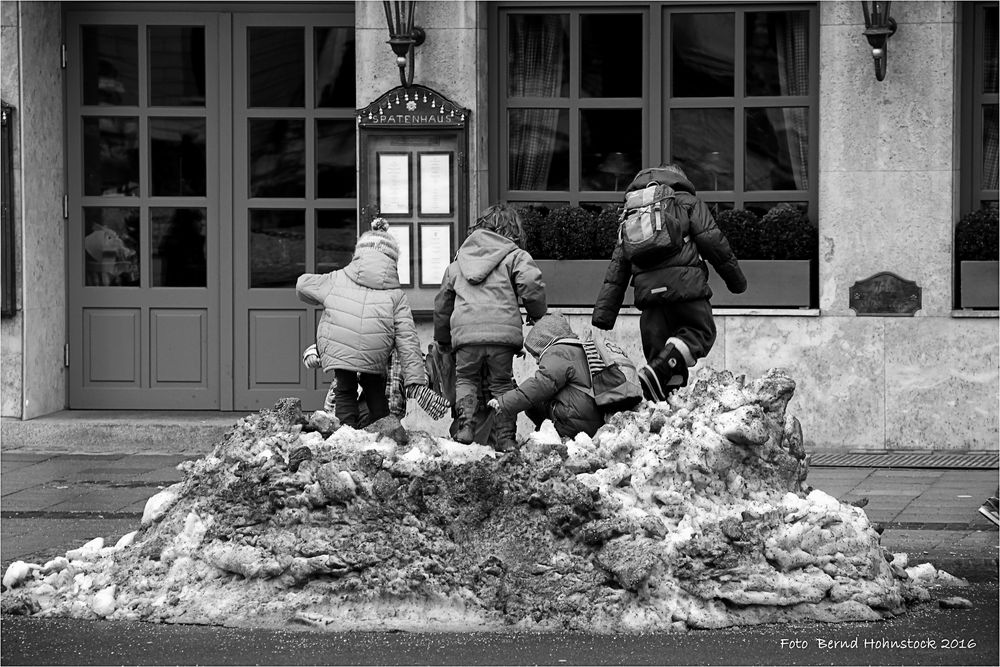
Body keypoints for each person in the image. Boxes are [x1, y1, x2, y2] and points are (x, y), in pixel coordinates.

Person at [593, 163, 747, 401]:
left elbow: (618, 266)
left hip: (650, 299)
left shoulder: (632, 212)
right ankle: (668, 366)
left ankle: (662, 415)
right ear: (681, 179)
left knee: (659, 365)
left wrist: (604, 315)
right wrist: (736, 282)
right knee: (700, 333)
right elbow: (714, 243)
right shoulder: (687, 202)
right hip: (687, 290)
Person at [434, 204, 547, 451]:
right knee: (502, 384)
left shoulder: (458, 262)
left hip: (465, 337)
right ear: (513, 230)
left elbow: (443, 303)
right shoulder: (515, 255)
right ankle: (506, 438)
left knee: (466, 378)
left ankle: (465, 427)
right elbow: (531, 282)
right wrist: (537, 315)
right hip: (501, 337)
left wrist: (443, 339)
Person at [296, 218, 427, 428]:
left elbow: (302, 285)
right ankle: (386, 428)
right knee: (375, 386)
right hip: (375, 349)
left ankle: (346, 433)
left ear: (358, 255)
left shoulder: (336, 278)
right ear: (392, 261)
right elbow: (407, 340)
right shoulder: (395, 294)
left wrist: (321, 298)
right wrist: (415, 380)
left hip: (341, 346)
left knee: (345, 389)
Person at [487, 313, 604, 440]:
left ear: (546, 343)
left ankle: (550, 437)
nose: (537, 361)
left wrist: (504, 402)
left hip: (576, 424)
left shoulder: (559, 352)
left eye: (537, 354)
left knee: (534, 399)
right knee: (535, 400)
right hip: (592, 417)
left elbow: (540, 385)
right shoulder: (577, 349)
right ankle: (545, 432)